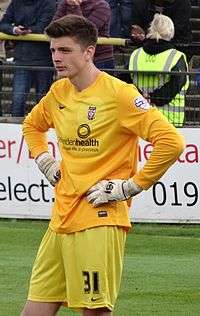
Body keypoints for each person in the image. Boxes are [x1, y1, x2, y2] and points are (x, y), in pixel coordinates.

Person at [21, 14, 184, 316]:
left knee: (94, 312)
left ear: (89, 51)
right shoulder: (59, 92)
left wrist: (131, 186)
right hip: (61, 218)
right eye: (53, 50)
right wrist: (43, 158)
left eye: (65, 50)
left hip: (100, 217)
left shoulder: (120, 95)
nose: (56, 57)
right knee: (34, 311)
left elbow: (171, 143)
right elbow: (32, 126)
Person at [129, 13, 189, 127]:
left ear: (150, 30)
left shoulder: (135, 55)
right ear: (170, 32)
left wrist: (142, 97)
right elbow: (176, 85)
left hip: (140, 119)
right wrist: (153, 98)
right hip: (170, 122)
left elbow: (125, 82)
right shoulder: (176, 57)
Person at [0, 0, 56, 117]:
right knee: (17, 100)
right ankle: (13, 132)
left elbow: (45, 26)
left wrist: (28, 30)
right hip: (21, 58)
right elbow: (3, 24)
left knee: (43, 101)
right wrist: (14, 30)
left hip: (44, 60)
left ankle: (44, 129)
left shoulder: (49, 3)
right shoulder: (16, 3)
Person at [53, 0, 114, 70]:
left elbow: (85, 32)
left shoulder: (102, 5)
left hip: (99, 58)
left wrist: (75, 7)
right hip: (71, 56)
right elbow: (54, 28)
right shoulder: (65, 3)